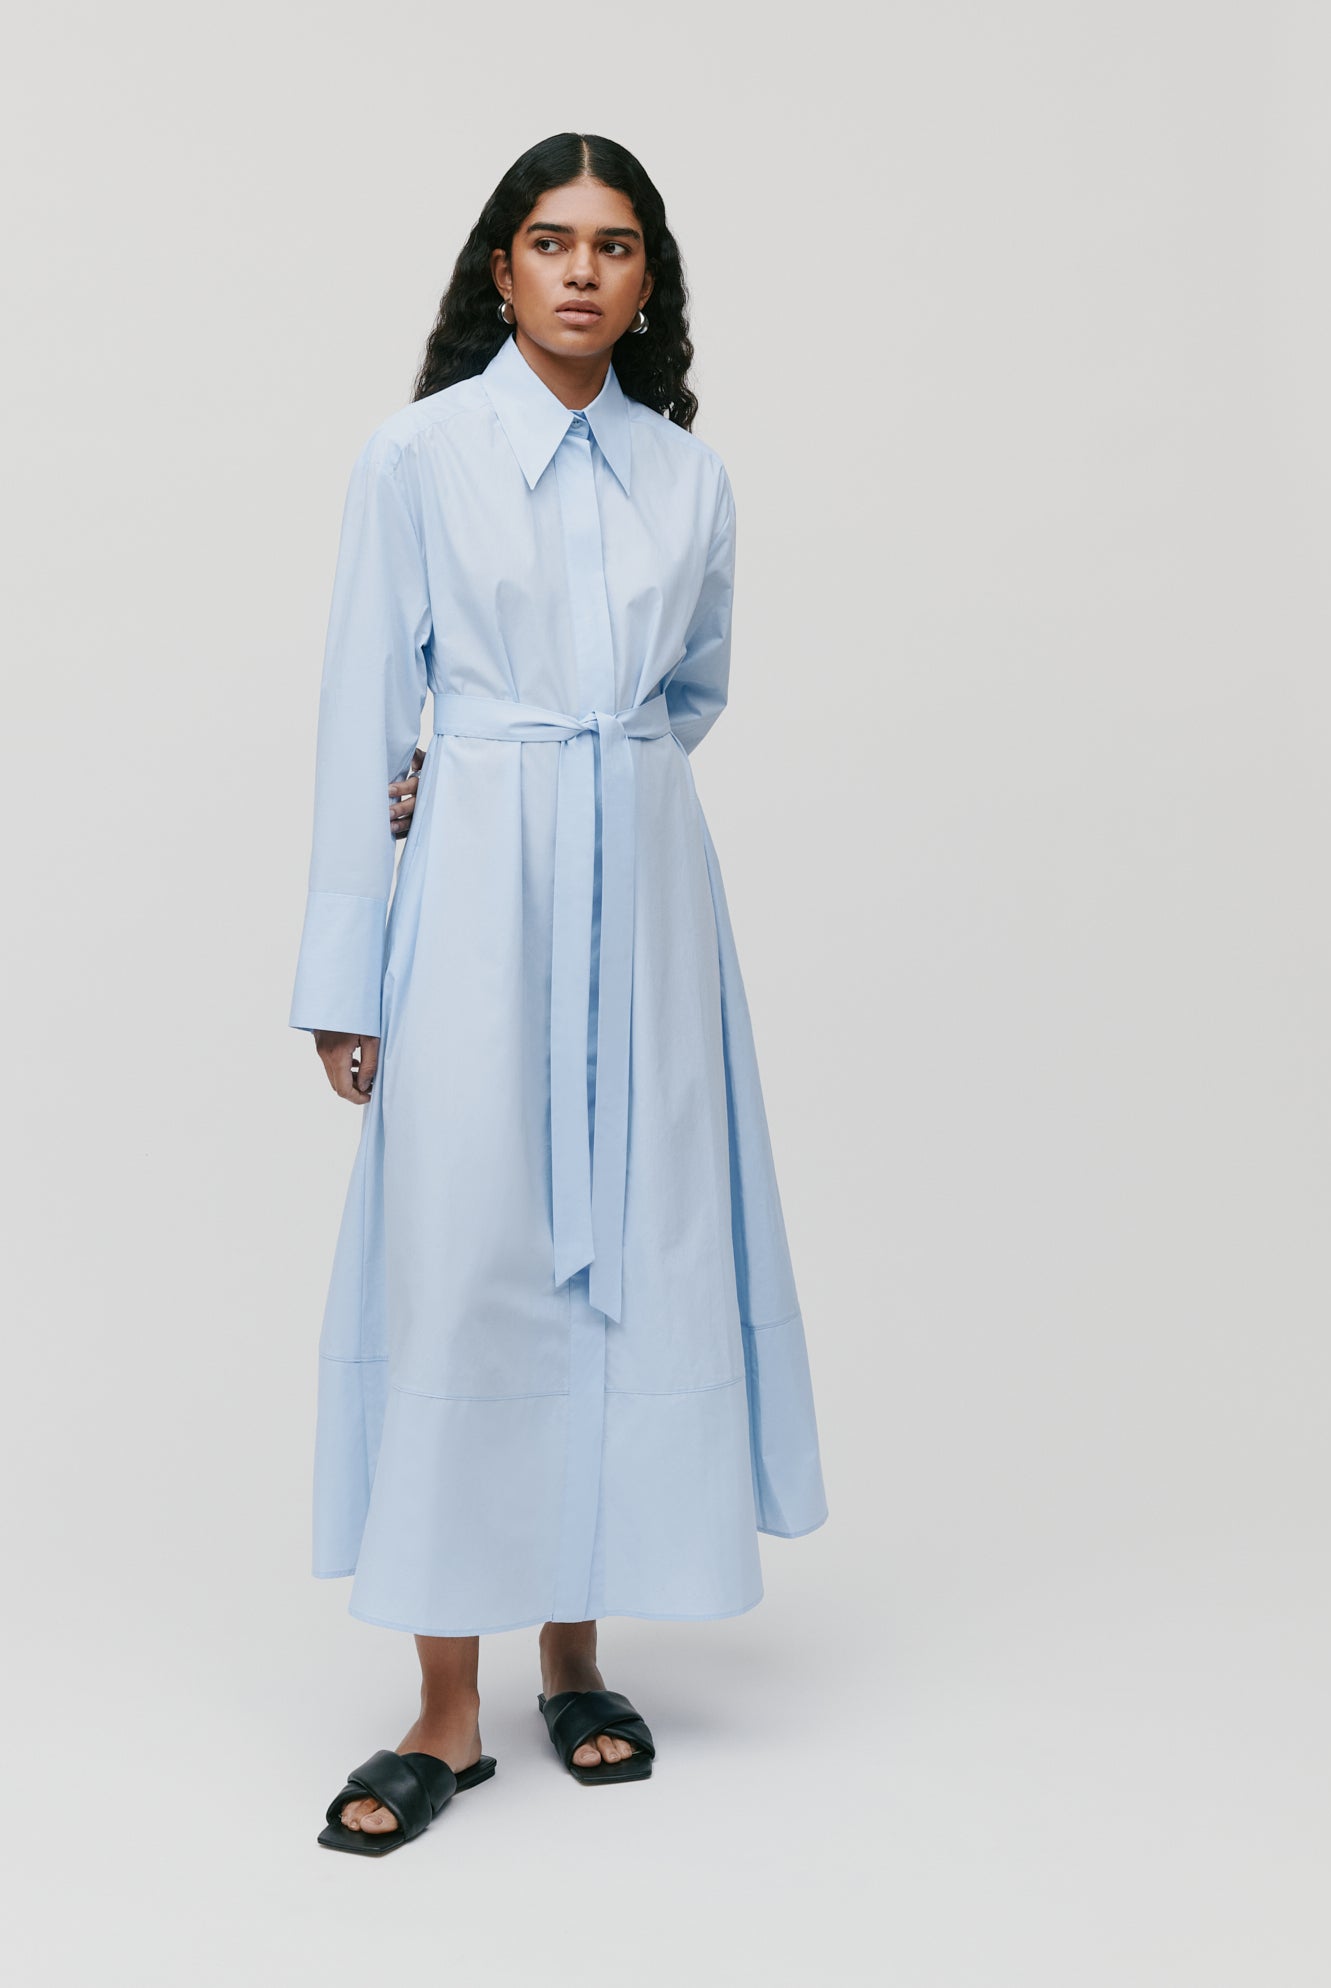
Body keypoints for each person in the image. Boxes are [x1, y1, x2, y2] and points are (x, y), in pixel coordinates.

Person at [288, 131, 828, 1856]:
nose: (582, 271)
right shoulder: (418, 457)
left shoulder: (692, 477)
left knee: (635, 1254)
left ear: (647, 278)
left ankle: (578, 1656)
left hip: (651, 902)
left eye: (613, 245)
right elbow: (364, 705)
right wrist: (351, 957)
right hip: (471, 905)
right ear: (499, 271)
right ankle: (445, 1709)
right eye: (548, 241)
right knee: (469, 1254)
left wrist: (593, 787)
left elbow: (691, 691)